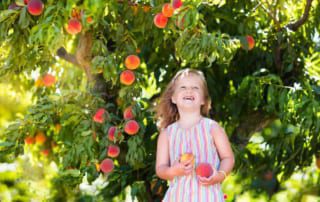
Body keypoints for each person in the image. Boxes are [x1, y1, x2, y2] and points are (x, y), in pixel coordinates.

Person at [155, 68, 235, 201]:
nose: (189, 90)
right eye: (183, 87)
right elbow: (160, 168)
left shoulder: (213, 128)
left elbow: (228, 158)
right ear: (173, 98)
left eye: (195, 88)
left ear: (203, 100)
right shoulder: (167, 134)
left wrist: (219, 175)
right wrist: (173, 171)